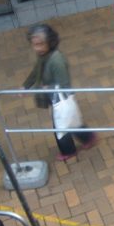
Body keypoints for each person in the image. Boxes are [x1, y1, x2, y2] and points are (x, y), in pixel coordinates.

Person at [22, 24, 97, 161]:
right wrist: (26, 86)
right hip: (57, 98)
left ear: (49, 42)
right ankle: (88, 138)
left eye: (40, 44)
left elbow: (64, 84)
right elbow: (36, 71)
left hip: (62, 99)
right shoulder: (44, 55)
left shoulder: (57, 60)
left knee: (60, 127)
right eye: (34, 45)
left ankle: (68, 150)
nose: (36, 48)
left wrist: (46, 88)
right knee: (73, 121)